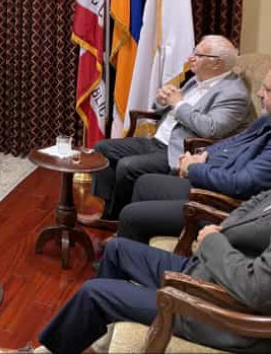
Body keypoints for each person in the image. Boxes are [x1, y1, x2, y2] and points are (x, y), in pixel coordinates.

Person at [27, 189, 271, 354]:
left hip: (220, 311)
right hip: (209, 271)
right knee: (117, 249)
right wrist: (222, 230)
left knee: (94, 293)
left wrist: (212, 241)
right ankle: (97, 341)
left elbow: (256, 288)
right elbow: (256, 200)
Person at [85, 35, 252, 225]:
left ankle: (120, 218)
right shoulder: (197, 80)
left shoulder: (234, 94)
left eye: (198, 55)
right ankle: (108, 210)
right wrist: (162, 100)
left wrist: (178, 104)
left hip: (179, 150)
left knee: (127, 166)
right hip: (157, 141)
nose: (190, 58)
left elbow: (211, 129)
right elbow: (165, 108)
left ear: (217, 63)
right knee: (102, 149)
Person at [117, 67, 271, 243]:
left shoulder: (236, 94)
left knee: (130, 215)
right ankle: (132, 245)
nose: (259, 93)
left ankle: (128, 252)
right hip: (215, 183)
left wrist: (193, 168)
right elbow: (232, 142)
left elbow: (240, 184)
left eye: (267, 90)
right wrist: (203, 155)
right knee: (145, 183)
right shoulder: (266, 119)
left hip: (226, 207)